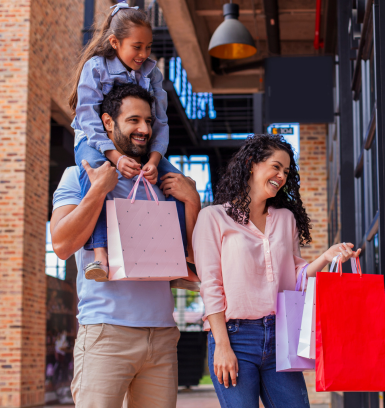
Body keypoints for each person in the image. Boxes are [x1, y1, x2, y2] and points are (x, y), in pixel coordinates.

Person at [50, 84, 201, 408]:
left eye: (148, 121)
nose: (144, 129)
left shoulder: (162, 181)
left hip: (161, 335)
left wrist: (193, 202)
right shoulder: (78, 176)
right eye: (134, 120)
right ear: (107, 122)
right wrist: (98, 191)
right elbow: (61, 244)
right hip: (106, 335)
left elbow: (192, 258)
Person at [192, 134, 361, 407]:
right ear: (251, 164)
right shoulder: (213, 218)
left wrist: (326, 257)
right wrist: (222, 345)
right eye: (275, 166)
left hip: (280, 337)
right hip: (235, 337)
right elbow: (210, 285)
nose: (281, 175)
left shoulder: (285, 219)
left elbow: (294, 278)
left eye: (286, 171)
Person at [69, 1, 185, 280]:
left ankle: (183, 258)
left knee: (180, 185)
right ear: (114, 42)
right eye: (137, 47)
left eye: (148, 46)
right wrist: (116, 158)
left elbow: (159, 121)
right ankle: (100, 254)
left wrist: (155, 160)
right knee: (96, 177)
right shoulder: (96, 67)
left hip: (137, 143)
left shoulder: (151, 72)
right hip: (94, 138)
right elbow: (88, 117)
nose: (144, 54)